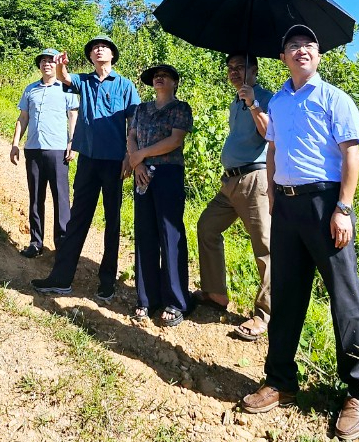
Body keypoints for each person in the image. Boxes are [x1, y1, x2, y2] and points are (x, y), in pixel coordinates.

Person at [240, 25, 359, 441]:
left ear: (318, 54)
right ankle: (280, 380)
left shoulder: (335, 98)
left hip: (325, 204)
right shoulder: (278, 102)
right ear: (283, 57)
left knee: (344, 296)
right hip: (286, 204)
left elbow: (351, 155)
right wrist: (273, 194)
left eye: (309, 45)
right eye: (293, 45)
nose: (302, 50)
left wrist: (343, 208)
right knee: (286, 294)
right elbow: (273, 149)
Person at [31, 36, 140, 302]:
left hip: (114, 162)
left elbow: (134, 123)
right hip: (88, 161)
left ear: (112, 55)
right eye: (94, 48)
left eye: (103, 47)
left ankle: (107, 281)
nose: (98, 49)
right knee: (77, 218)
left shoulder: (125, 85)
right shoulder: (84, 81)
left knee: (112, 221)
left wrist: (130, 155)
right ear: (90, 57)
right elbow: (65, 78)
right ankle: (61, 278)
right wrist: (60, 65)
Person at [194, 53, 274, 340]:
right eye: (230, 68)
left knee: (264, 246)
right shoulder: (234, 102)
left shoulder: (267, 97)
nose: (234, 72)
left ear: (255, 70)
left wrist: (253, 103)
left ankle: (264, 315)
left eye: (240, 67)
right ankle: (215, 294)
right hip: (230, 181)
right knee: (207, 226)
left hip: (255, 179)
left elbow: (270, 133)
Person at [126, 64, 193, 327]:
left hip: (168, 173)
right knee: (145, 234)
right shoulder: (141, 109)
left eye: (164, 75)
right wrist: (137, 164)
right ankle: (146, 298)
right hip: (143, 174)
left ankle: (176, 301)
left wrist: (141, 155)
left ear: (175, 82)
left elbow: (175, 140)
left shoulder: (180, 108)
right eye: (156, 76)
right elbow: (131, 136)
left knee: (170, 235)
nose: (159, 78)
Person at [10, 48, 79, 258]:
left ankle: (62, 244)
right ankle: (35, 242)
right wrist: (15, 144)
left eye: (51, 60)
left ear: (57, 65)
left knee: (61, 198)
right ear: (39, 66)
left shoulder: (66, 89)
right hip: (33, 150)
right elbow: (23, 117)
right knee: (35, 198)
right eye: (43, 61)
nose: (47, 64)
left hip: (58, 150)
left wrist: (72, 142)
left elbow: (73, 116)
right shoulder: (30, 89)